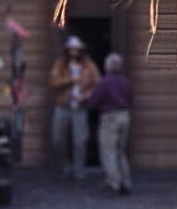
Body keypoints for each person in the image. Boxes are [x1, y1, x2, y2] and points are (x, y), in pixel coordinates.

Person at [48, 36, 98, 180]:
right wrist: (71, 80)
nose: (74, 51)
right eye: (71, 48)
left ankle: (79, 170)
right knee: (58, 138)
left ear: (81, 49)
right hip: (62, 105)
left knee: (80, 141)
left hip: (80, 107)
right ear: (67, 50)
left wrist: (86, 96)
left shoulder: (89, 65)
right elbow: (54, 83)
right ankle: (66, 165)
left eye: (77, 48)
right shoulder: (60, 64)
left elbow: (97, 84)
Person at [94, 51, 133, 195]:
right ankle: (126, 182)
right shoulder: (125, 82)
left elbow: (95, 100)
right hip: (125, 116)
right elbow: (130, 99)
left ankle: (114, 183)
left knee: (109, 151)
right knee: (121, 151)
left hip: (110, 118)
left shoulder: (104, 82)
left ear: (108, 66)